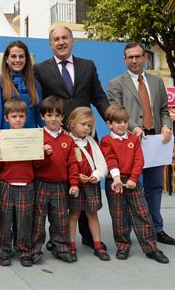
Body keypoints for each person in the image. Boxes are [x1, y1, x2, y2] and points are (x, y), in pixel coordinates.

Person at [33, 25, 110, 250]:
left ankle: (87, 235)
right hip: (59, 138)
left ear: (72, 40)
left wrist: (114, 124)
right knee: (58, 190)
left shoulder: (88, 65)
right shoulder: (40, 69)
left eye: (64, 37)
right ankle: (57, 237)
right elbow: (38, 104)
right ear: (50, 44)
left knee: (85, 186)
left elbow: (99, 98)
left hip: (86, 137)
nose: (61, 42)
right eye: (55, 39)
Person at [107, 41, 175, 246]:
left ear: (145, 57)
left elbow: (164, 110)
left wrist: (166, 126)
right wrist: (133, 127)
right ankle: (128, 234)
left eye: (138, 56)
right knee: (130, 188)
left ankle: (157, 229)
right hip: (131, 142)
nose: (135, 60)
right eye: (130, 57)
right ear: (124, 59)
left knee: (155, 187)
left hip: (156, 142)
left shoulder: (157, 83)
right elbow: (115, 111)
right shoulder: (115, 84)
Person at [100, 105, 169, 264]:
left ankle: (151, 248)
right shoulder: (106, 141)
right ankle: (123, 246)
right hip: (115, 182)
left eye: (124, 121)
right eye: (118, 122)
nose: (122, 125)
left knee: (143, 214)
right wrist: (117, 179)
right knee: (119, 216)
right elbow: (110, 159)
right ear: (109, 124)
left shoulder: (133, 139)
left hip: (133, 181)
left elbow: (139, 160)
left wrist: (133, 178)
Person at [31, 95, 78, 264]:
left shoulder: (68, 139)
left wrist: (73, 183)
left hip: (60, 185)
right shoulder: (37, 136)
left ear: (62, 117)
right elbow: (33, 164)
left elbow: (73, 164)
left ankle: (62, 248)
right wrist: (43, 154)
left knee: (60, 219)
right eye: (49, 115)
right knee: (37, 219)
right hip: (41, 183)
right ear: (43, 116)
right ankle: (34, 249)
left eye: (57, 115)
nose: (53, 119)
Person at [0, 99, 36, 267]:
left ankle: (24, 251)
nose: (18, 119)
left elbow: (37, 164)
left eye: (21, 116)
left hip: (27, 183)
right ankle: (2, 251)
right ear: (6, 117)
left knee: (25, 220)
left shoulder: (32, 137)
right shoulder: (1, 137)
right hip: (6, 184)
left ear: (26, 118)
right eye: (14, 116)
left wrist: (43, 153)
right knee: (4, 219)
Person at [67, 107, 110, 262]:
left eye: (90, 125)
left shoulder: (92, 143)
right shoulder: (67, 142)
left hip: (91, 184)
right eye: (83, 124)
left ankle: (97, 245)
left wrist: (96, 176)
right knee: (73, 215)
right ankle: (71, 246)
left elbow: (102, 164)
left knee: (93, 214)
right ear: (72, 124)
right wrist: (77, 177)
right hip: (75, 185)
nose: (87, 128)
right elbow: (64, 165)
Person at [0, 40, 43, 131]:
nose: (17, 60)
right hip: (5, 138)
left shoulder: (35, 84)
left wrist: (53, 131)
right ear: (6, 59)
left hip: (30, 138)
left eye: (21, 56)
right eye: (13, 56)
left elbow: (40, 115)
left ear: (26, 60)